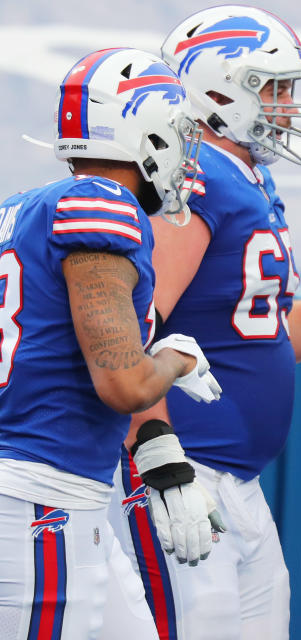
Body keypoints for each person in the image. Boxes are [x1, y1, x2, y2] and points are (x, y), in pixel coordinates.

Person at [106, 6, 301, 640]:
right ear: (217, 88)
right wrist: (157, 452)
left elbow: (258, 335)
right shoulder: (195, 175)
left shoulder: (246, 176)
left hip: (235, 479)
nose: (288, 106)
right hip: (181, 468)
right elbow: (125, 332)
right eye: (275, 87)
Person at [0, 48, 222, 640]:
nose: (184, 150)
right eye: (178, 133)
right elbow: (124, 384)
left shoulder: (19, 209)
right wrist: (176, 356)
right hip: (40, 501)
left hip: (57, 494)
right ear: (145, 133)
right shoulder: (100, 206)